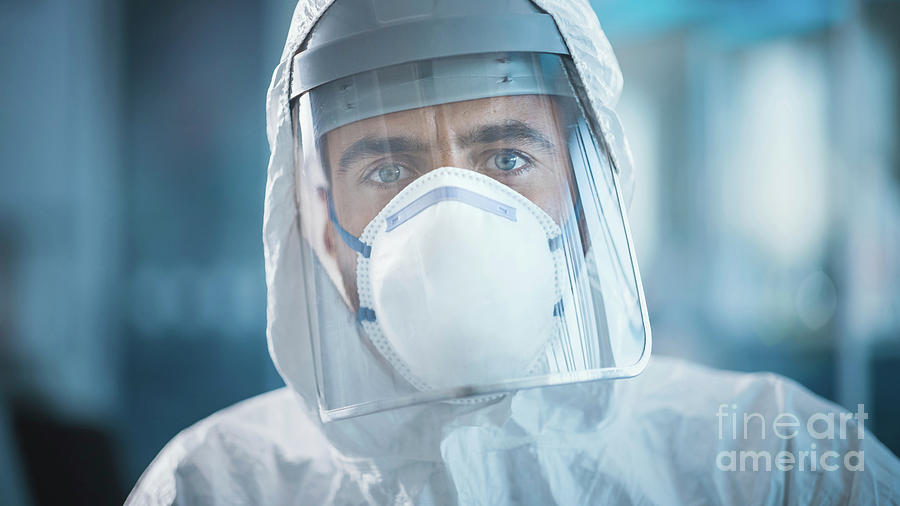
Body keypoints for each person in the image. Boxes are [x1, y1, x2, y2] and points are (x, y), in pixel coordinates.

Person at [127, 0, 900, 504]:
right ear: (320, 224)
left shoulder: (779, 463)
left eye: (506, 159)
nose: (451, 220)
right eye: (388, 171)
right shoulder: (218, 485)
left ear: (590, 197)